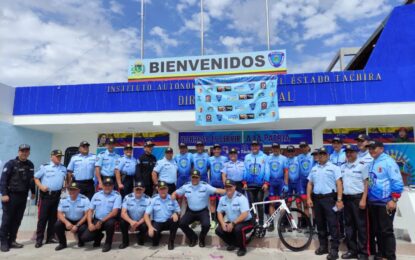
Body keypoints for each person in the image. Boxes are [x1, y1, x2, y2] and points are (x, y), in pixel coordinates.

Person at [366, 141, 403, 260]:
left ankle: (390, 257)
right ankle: (381, 254)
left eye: (373, 148)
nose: (371, 150)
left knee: (386, 231)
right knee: (377, 231)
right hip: (373, 202)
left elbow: (397, 181)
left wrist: (393, 199)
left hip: (385, 203)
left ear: (381, 149)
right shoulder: (373, 162)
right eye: (369, 148)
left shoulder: (388, 162)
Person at [307, 147, 343, 260]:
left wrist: (339, 200)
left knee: (333, 225)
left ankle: (334, 249)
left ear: (327, 155)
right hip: (317, 200)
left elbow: (339, 184)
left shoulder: (334, 168)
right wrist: (308, 198)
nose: (321, 155)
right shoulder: (314, 168)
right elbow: (309, 184)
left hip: (330, 199)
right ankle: (323, 246)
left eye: (323, 154)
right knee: (320, 224)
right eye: (319, 154)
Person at [172, 170, 225, 247]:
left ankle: (202, 238)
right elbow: (176, 193)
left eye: (196, 177)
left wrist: (228, 191)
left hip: (203, 211)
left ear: (199, 178)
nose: (194, 179)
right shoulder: (186, 186)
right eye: (193, 177)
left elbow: (217, 190)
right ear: (191, 177)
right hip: (191, 211)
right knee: (182, 224)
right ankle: (193, 237)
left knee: (207, 225)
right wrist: (173, 195)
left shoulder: (205, 186)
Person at [0, 144, 35, 252]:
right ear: (18, 152)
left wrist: (33, 192)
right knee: (7, 220)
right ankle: (4, 242)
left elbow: (31, 180)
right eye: (22, 151)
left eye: (26, 151)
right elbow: (3, 180)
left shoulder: (30, 164)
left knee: (17, 220)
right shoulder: (11, 164)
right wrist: (4, 194)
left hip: (23, 196)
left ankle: (12, 240)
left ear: (29, 152)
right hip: (10, 196)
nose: (24, 153)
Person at [34, 149, 68, 248]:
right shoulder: (45, 167)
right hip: (46, 196)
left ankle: (50, 237)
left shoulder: (63, 168)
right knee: (42, 218)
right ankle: (39, 239)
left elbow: (66, 178)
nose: (59, 158)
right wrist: (41, 186)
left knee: (53, 218)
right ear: (52, 157)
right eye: (57, 156)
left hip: (57, 195)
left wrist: (65, 186)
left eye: (60, 156)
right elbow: (36, 178)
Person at [340, 144, 369, 260]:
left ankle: (363, 252)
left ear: (356, 153)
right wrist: (340, 199)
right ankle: (352, 250)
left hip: (358, 199)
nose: (349, 154)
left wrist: (363, 199)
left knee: (361, 226)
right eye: (347, 152)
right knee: (349, 226)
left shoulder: (362, 166)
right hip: (346, 199)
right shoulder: (343, 167)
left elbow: (366, 183)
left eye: (351, 152)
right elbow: (341, 184)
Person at [81, 177, 121, 252]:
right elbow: (90, 210)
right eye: (105, 185)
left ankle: (108, 244)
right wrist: (90, 224)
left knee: (111, 223)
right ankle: (99, 236)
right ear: (102, 185)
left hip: (108, 219)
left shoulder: (117, 196)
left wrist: (101, 221)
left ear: (113, 186)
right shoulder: (96, 195)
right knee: (84, 238)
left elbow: (114, 212)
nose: (107, 187)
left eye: (110, 185)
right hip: (97, 219)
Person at [215, 179, 254, 257]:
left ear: (235, 187)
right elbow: (219, 212)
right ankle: (233, 243)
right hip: (233, 222)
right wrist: (223, 224)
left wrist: (233, 224)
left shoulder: (241, 197)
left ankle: (242, 248)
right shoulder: (223, 199)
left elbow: (245, 214)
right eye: (226, 186)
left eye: (230, 186)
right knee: (218, 230)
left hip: (246, 222)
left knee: (238, 229)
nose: (228, 188)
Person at [144, 181, 180, 250]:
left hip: (168, 222)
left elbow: (178, 210)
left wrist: (176, 213)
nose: (163, 191)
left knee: (175, 220)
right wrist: (150, 227)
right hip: (157, 222)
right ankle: (157, 236)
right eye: (161, 189)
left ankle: (171, 242)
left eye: (164, 188)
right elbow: (146, 215)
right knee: (152, 238)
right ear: (158, 190)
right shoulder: (153, 200)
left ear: (167, 189)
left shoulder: (172, 199)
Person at [54, 182, 90, 251]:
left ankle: (81, 241)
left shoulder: (84, 199)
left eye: (74, 190)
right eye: (70, 189)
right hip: (68, 220)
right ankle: (62, 243)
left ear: (79, 190)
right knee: (57, 225)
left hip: (80, 220)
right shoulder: (63, 199)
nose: (72, 191)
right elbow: (59, 213)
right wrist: (66, 222)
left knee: (83, 228)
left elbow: (86, 215)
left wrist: (77, 225)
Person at [242, 140, 268, 225]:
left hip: (260, 185)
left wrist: (266, 183)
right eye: (253, 146)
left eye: (256, 146)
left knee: (260, 204)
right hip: (249, 185)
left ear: (259, 147)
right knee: (251, 205)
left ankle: (261, 223)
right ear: (251, 147)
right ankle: (253, 223)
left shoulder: (264, 156)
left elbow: (267, 170)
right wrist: (244, 182)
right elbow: (245, 170)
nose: (254, 147)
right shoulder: (247, 157)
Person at [119, 181, 150, 249]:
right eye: (136, 189)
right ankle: (125, 242)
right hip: (130, 219)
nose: (138, 191)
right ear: (133, 189)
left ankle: (140, 238)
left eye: (140, 189)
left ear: (144, 189)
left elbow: (147, 215)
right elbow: (123, 213)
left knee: (145, 226)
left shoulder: (148, 199)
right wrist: (131, 222)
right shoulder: (127, 197)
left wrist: (136, 224)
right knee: (122, 222)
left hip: (141, 220)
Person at [264, 143, 288, 231]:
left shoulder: (284, 158)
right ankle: (271, 223)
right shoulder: (268, 158)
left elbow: (286, 172)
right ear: (272, 149)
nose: (275, 149)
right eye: (274, 148)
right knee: (272, 203)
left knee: (282, 203)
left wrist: (286, 184)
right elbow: (266, 170)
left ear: (279, 148)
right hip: (272, 183)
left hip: (281, 182)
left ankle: (281, 224)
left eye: (277, 148)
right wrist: (266, 182)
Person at [208, 144, 228, 229]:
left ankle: (220, 221)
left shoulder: (224, 159)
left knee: (222, 203)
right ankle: (213, 221)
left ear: (220, 150)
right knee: (212, 202)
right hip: (212, 184)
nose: (216, 151)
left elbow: (226, 171)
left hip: (221, 184)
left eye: (218, 149)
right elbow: (206, 169)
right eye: (215, 149)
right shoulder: (209, 159)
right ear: (213, 151)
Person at [297, 141, 314, 226]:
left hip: (311, 182)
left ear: (308, 147)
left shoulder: (312, 156)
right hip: (302, 182)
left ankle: (314, 223)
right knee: (305, 204)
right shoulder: (298, 157)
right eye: (301, 147)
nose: (303, 148)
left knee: (313, 204)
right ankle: (307, 223)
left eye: (304, 146)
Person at [174, 143, 193, 207]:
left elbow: (193, 165)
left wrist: (191, 173)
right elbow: (174, 168)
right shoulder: (176, 157)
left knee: (188, 198)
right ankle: (178, 214)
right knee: (179, 198)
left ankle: (188, 214)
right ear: (179, 149)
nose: (183, 149)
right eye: (181, 148)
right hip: (180, 179)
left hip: (188, 178)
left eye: (184, 148)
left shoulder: (190, 155)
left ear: (187, 148)